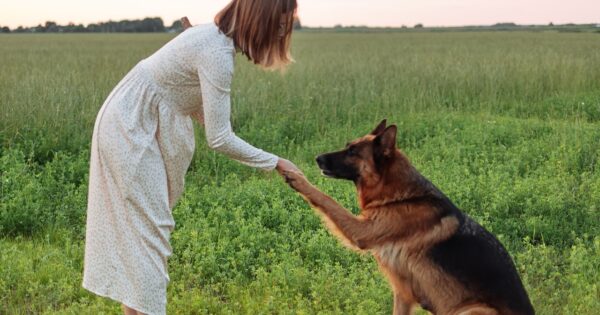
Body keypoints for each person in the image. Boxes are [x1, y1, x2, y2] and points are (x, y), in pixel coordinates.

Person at [82, 1, 300, 314]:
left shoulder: (211, 39)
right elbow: (220, 138)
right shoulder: (216, 52)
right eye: (280, 24)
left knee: (144, 238)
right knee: (149, 238)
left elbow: (184, 99)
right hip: (130, 127)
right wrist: (276, 162)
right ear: (260, 20)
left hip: (134, 119)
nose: (282, 32)